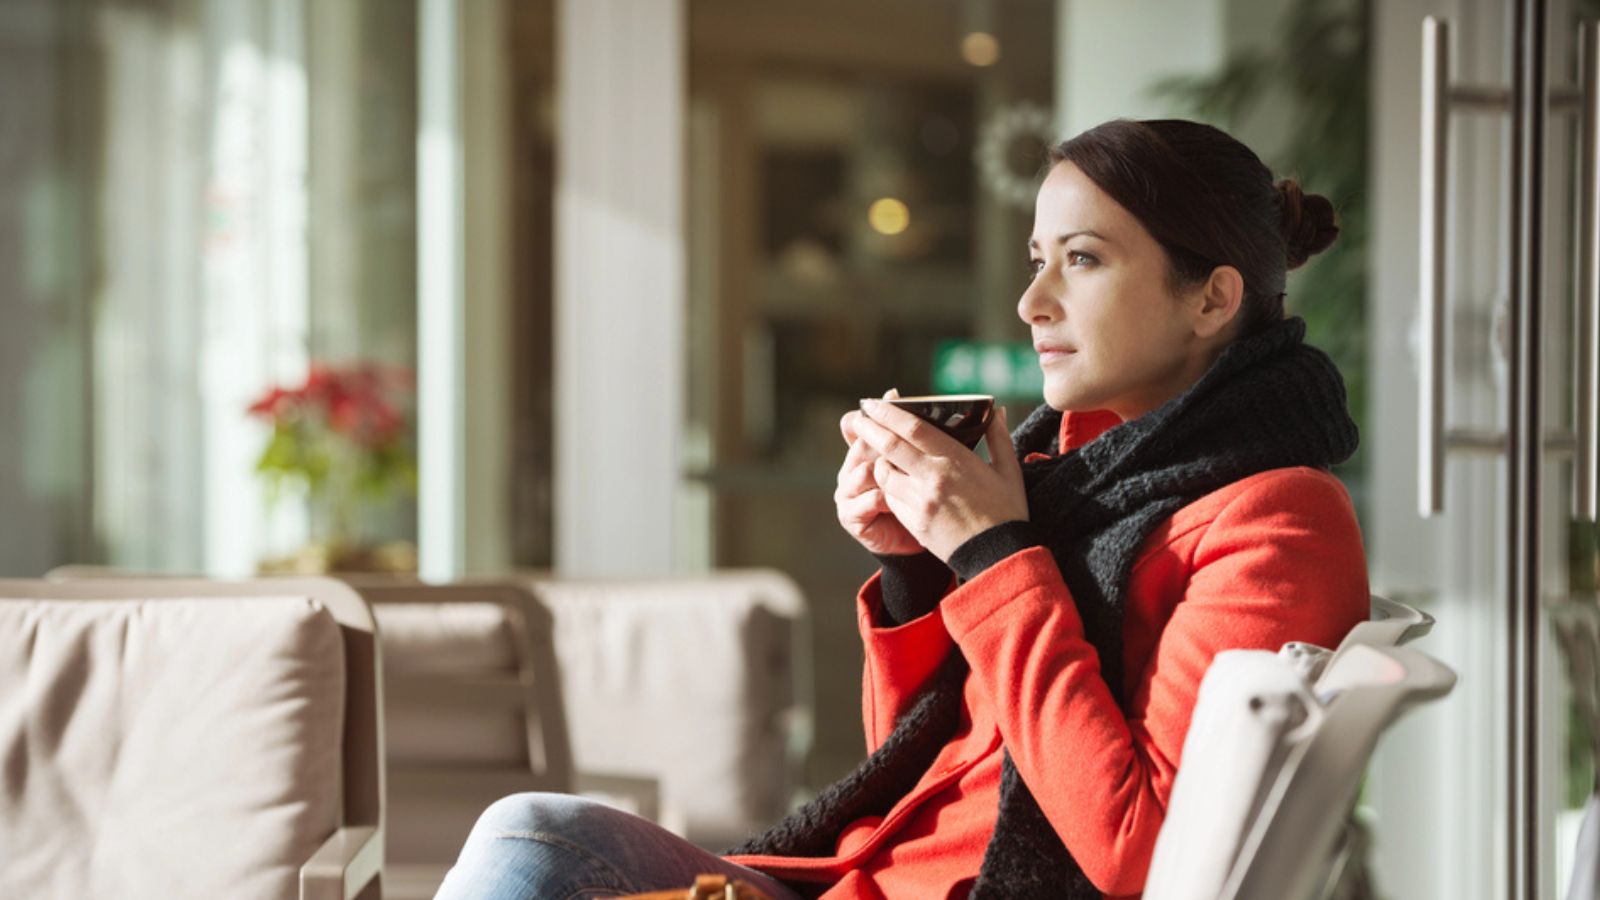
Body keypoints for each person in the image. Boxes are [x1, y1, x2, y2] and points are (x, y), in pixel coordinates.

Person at [434, 117, 1369, 900]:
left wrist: (994, 552)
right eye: (1038, 259)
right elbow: (923, 766)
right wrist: (918, 567)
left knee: (533, 851)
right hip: (865, 880)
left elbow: (1138, 849)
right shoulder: (1076, 479)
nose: (1031, 300)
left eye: (1080, 261)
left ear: (1212, 299)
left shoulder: (1277, 521)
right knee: (536, 838)